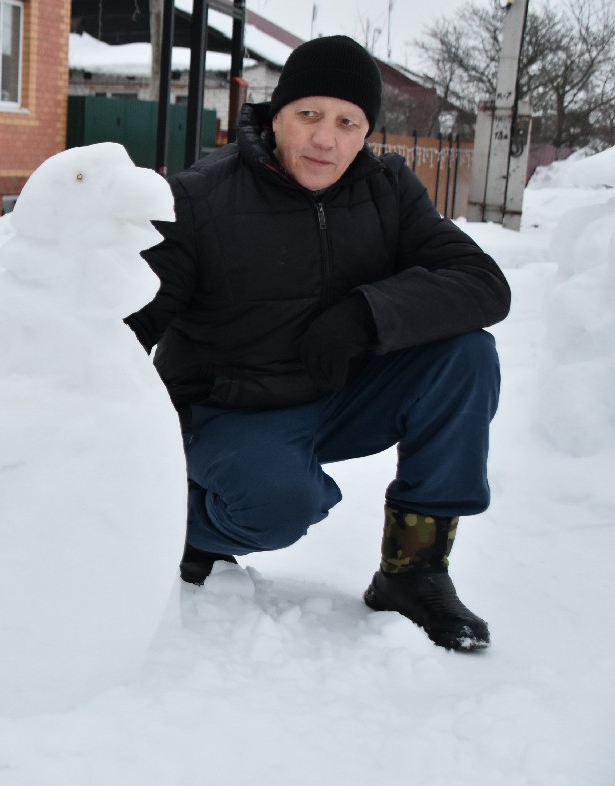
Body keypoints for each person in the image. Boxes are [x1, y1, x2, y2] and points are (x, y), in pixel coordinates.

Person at [125, 35, 511, 651]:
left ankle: (413, 573)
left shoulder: (387, 191)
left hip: (336, 396)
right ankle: (176, 529)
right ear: (276, 116)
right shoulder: (201, 198)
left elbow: (484, 284)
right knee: (278, 505)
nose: (325, 139)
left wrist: (367, 314)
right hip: (227, 412)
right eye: (309, 114)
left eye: (346, 122)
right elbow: (128, 324)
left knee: (466, 357)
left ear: (365, 133)